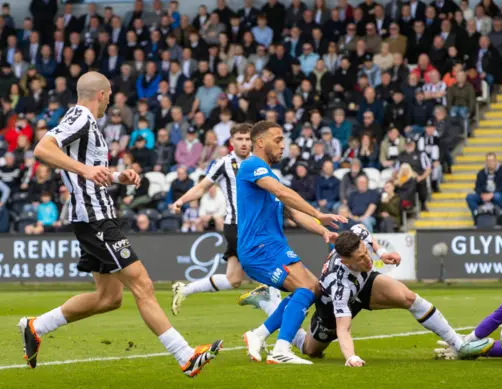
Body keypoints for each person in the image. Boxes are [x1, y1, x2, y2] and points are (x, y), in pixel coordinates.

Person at [25, 72, 221, 377]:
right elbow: (42, 148)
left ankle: (36, 326)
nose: (110, 100)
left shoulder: (88, 124)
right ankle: (185, 356)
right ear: (102, 94)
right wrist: (85, 170)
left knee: (109, 298)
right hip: (95, 218)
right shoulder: (80, 116)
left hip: (97, 215)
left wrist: (119, 176)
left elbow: (93, 171)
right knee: (142, 284)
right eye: (109, 94)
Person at [240, 225, 491, 366]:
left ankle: (459, 345)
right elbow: (344, 331)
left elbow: (366, 235)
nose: (365, 258)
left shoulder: (357, 238)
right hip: (332, 306)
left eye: (364, 252)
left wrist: (380, 254)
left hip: (363, 286)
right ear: (347, 262)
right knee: (311, 350)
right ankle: (269, 303)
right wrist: (351, 357)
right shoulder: (339, 287)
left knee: (408, 298)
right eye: (360, 258)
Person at [237, 121, 346, 365]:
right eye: (277, 140)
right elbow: (284, 193)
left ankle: (258, 335)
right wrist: (319, 213)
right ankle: (281, 348)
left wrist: (322, 231)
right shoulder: (252, 165)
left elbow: (294, 213)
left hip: (269, 246)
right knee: (307, 288)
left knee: (311, 288)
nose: (283, 145)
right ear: (260, 142)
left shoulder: (265, 177)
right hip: (260, 247)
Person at [169, 124, 279, 314]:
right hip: (238, 225)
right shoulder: (223, 164)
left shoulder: (259, 162)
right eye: (240, 139)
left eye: (247, 139)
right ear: (232, 142)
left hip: (257, 225)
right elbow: (202, 187)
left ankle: (184, 290)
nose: (244, 143)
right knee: (269, 272)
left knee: (233, 279)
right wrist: (181, 200)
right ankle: (280, 329)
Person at [465, 153, 502, 217]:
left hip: (497, 194)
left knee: (497, 197)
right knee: (469, 197)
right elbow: (477, 187)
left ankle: (499, 217)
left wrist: (492, 194)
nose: (490, 163)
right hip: (484, 194)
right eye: (488, 161)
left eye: (492, 160)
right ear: (486, 162)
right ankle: (478, 215)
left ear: (496, 161)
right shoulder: (481, 173)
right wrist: (482, 194)